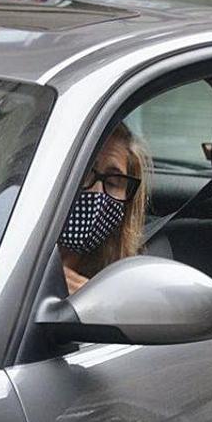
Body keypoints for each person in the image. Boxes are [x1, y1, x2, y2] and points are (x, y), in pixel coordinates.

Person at [59, 123, 149, 294]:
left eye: (112, 182)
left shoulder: (124, 280)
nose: (96, 193)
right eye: (84, 174)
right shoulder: (7, 252)